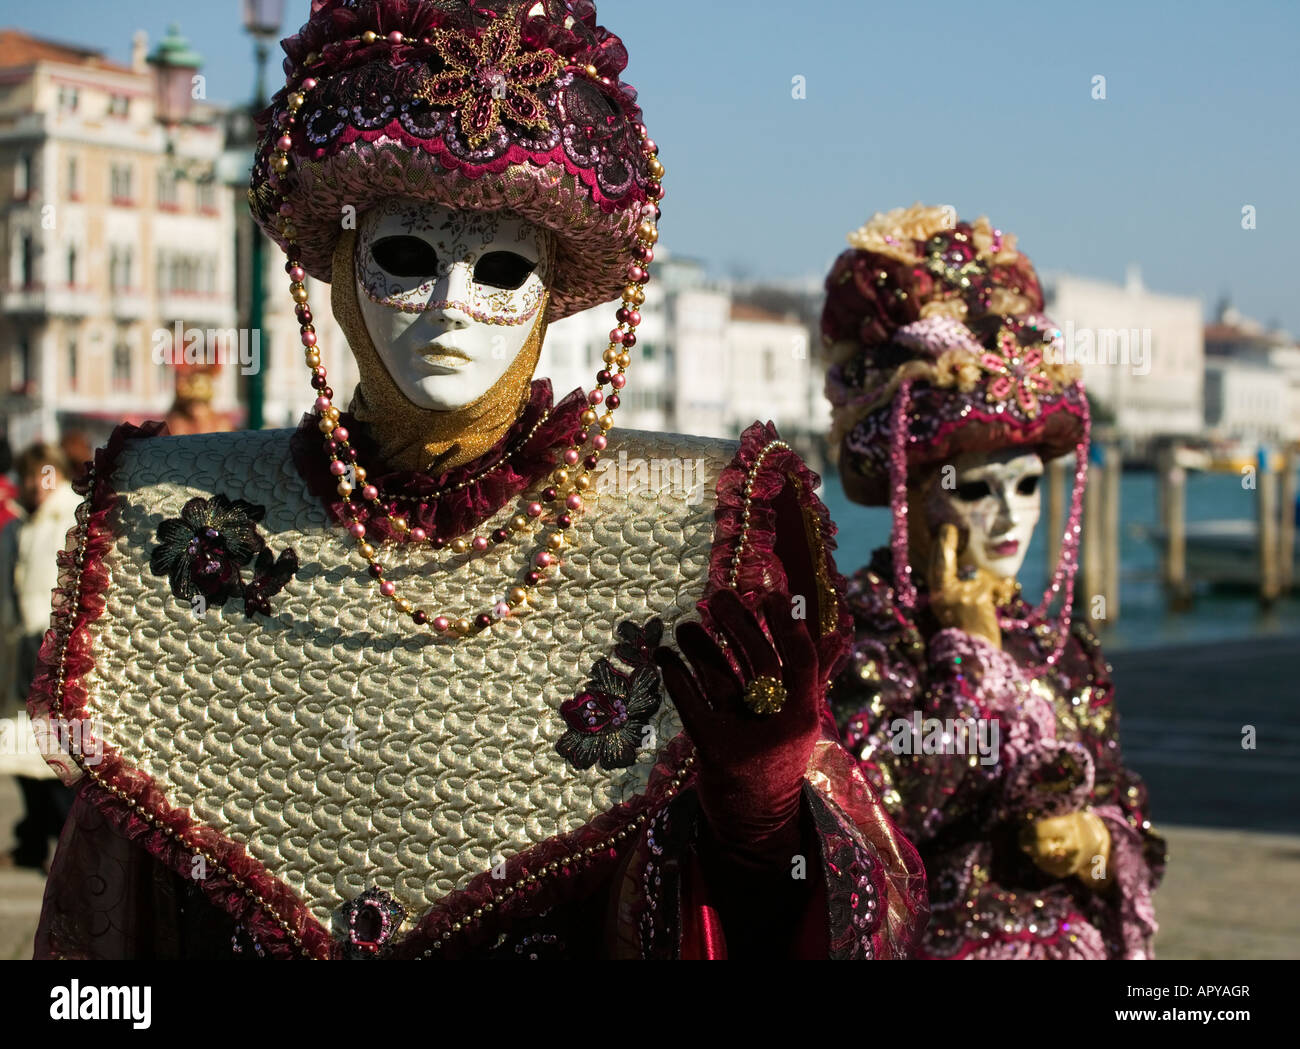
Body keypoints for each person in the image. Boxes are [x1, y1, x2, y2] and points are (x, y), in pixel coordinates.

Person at [28, 0, 925, 959]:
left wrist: (761, 822)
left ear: (551, 294)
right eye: (407, 257)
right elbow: (107, 926)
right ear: (337, 265)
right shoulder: (175, 512)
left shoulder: (685, 525)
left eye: (500, 268)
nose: (454, 307)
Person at [821, 204, 1165, 959]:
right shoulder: (866, 631)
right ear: (915, 491)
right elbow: (884, 809)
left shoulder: (1057, 642)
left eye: (1027, 483)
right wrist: (965, 655)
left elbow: (1121, 801)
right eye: (978, 487)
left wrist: (1091, 843)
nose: (1010, 514)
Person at [0, 442, 82, 870]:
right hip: (19, 654)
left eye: (40, 476)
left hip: (57, 652)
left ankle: (66, 846)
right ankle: (34, 839)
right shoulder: (16, 528)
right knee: (17, 751)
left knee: (57, 760)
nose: (33, 485)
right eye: (27, 476)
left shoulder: (71, 518)